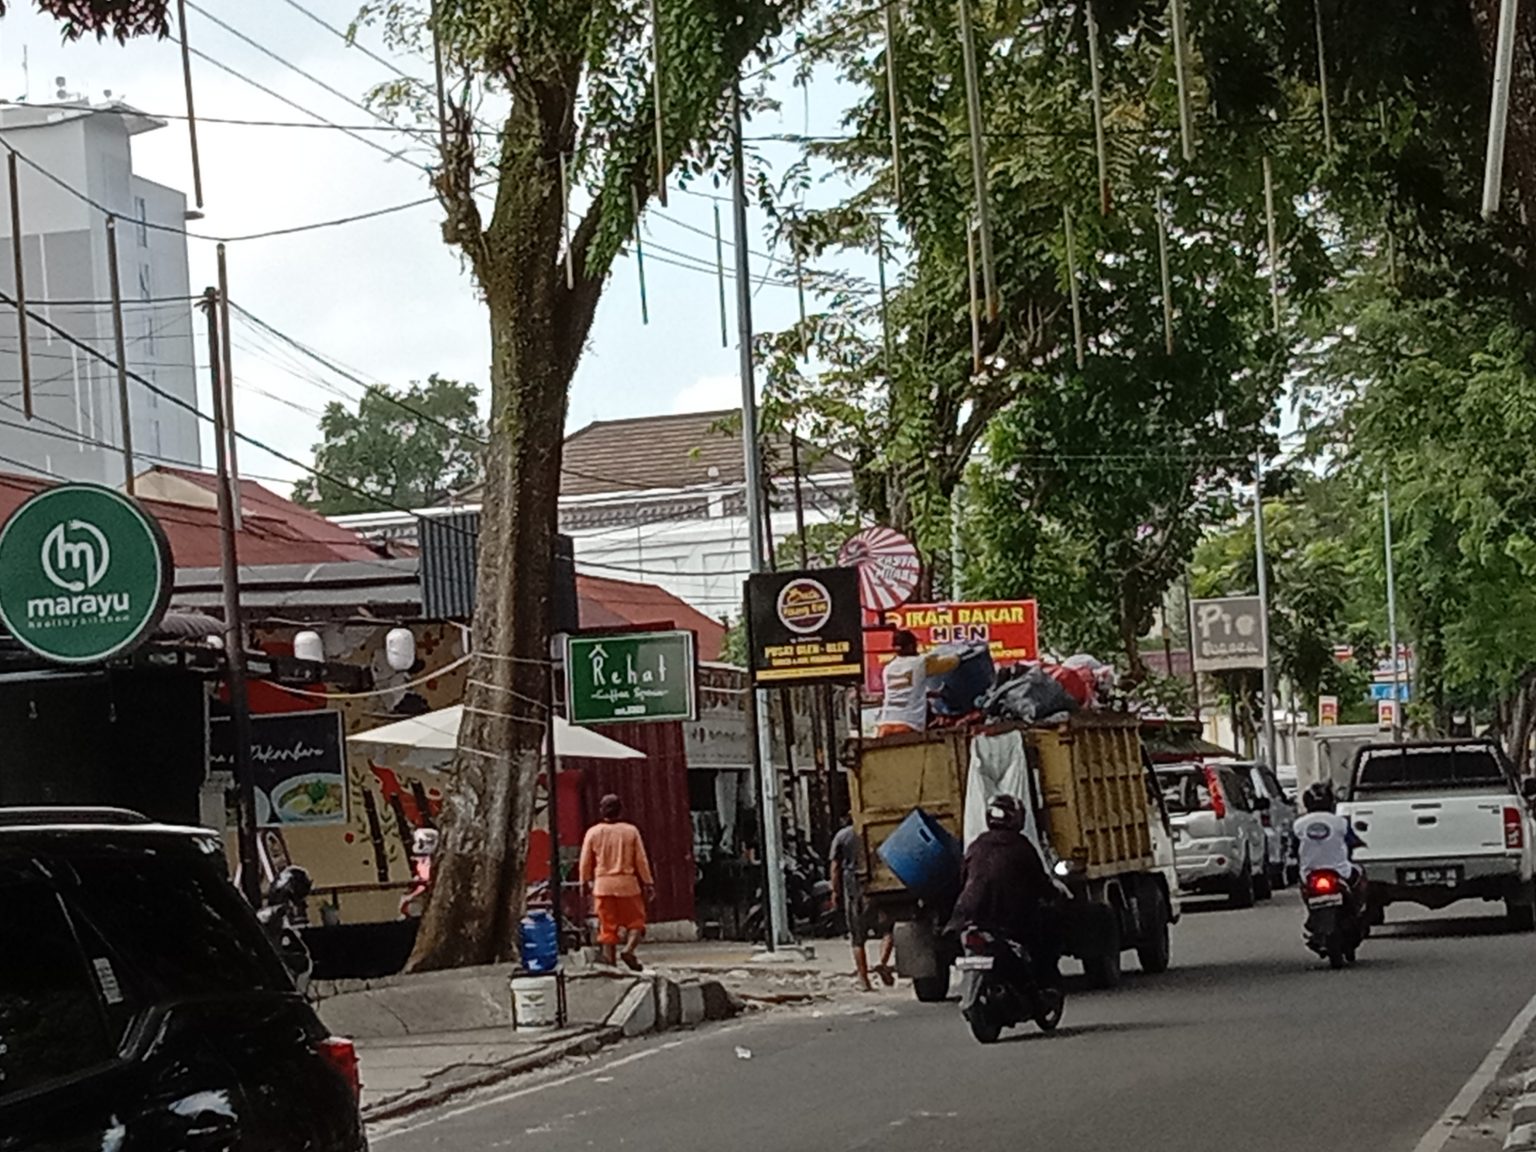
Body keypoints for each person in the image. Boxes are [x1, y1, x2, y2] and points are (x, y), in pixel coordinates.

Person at [947, 794, 1062, 985]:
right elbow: (1040, 882)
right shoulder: (1021, 846)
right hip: (1008, 919)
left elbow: (963, 879)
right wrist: (1053, 895)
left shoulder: (976, 846)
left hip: (968, 916)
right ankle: (1043, 984)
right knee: (1044, 942)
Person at [579, 794, 655, 971]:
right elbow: (641, 860)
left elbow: (585, 861)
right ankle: (628, 950)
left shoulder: (593, 832)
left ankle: (611, 967)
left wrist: (584, 881)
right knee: (636, 922)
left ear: (601, 811)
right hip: (628, 886)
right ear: (621, 811)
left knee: (607, 928)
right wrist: (648, 882)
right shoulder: (631, 831)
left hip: (603, 887)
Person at [829, 816, 894, 991]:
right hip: (880, 884)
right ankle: (882, 962)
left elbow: (835, 867)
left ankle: (864, 980)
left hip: (854, 889)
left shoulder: (842, 836)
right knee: (888, 929)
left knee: (857, 938)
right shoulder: (878, 831)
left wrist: (835, 891)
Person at [877, 631, 961, 737]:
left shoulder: (888, 669)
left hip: (885, 724)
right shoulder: (920, 663)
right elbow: (951, 663)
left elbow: (903, 691)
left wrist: (928, 694)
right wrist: (959, 655)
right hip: (909, 723)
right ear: (911, 646)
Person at [1294, 782, 1367, 894]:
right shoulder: (1340, 822)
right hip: (1340, 871)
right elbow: (1352, 840)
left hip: (1308, 873)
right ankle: (1360, 904)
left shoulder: (1298, 824)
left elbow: (1294, 846)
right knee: (1360, 873)